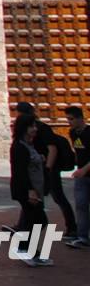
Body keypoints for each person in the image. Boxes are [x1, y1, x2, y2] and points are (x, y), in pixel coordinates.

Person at [17, 101, 79, 239]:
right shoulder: (29, 128)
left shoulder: (41, 128)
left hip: (48, 169)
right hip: (38, 169)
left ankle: (72, 228)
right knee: (31, 198)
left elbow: (52, 149)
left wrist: (48, 169)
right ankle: (21, 226)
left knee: (58, 197)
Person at [10, 114, 53, 266]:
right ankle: (24, 249)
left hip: (37, 189)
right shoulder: (19, 147)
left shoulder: (31, 144)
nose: (35, 129)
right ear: (24, 128)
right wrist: (30, 190)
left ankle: (30, 250)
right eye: (31, 126)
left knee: (34, 221)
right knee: (38, 220)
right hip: (27, 191)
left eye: (35, 126)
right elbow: (20, 171)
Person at [64, 106, 89, 249]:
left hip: (85, 172)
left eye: (71, 119)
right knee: (81, 205)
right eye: (68, 119)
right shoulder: (73, 133)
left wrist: (84, 169)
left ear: (80, 118)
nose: (69, 122)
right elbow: (78, 152)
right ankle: (82, 237)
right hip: (81, 176)